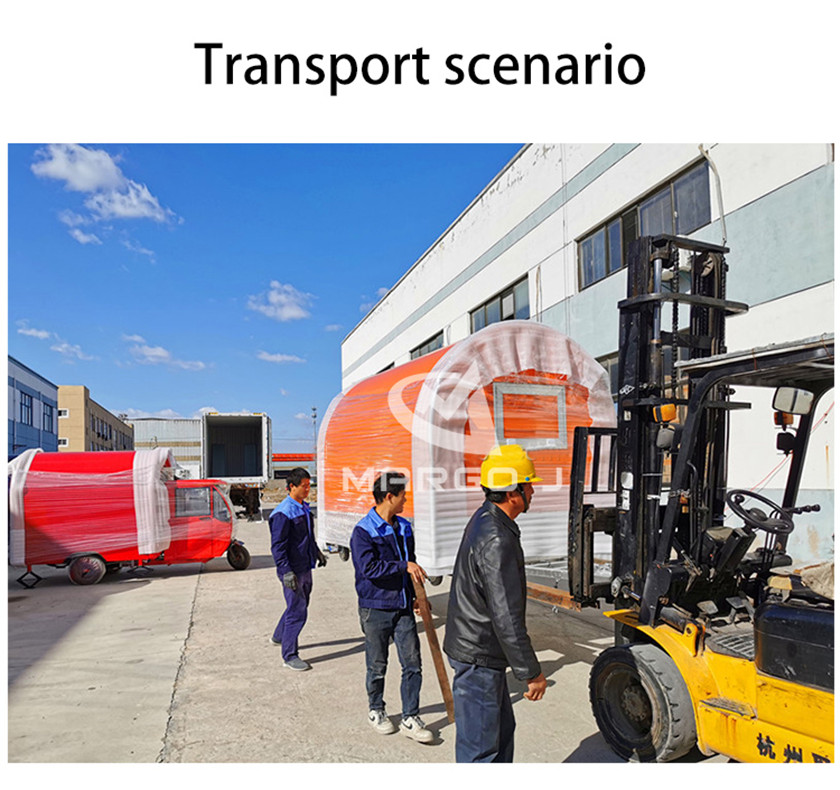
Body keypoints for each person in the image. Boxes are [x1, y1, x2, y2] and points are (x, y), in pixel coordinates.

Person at [443, 444, 548, 762]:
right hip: (478, 657)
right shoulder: (497, 538)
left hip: (482, 652)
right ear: (513, 492)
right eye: (529, 485)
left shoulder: (487, 519)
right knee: (481, 752)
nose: (533, 491)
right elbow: (506, 615)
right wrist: (531, 671)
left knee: (500, 737)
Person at [350, 471, 435, 744]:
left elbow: (411, 563)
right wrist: (403, 566)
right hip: (375, 608)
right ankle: (376, 710)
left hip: (403, 608)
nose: (405, 500)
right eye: (402, 496)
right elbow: (370, 569)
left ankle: (410, 716)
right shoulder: (364, 531)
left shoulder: (404, 527)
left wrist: (416, 596)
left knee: (413, 664)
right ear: (389, 496)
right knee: (377, 665)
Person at [269, 467, 327, 671]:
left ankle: (279, 635)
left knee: (299, 605)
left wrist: (316, 552)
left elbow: (307, 536)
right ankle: (289, 655)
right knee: (297, 610)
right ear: (292, 487)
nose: (307, 489)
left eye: (309, 485)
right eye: (304, 486)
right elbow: (278, 547)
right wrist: (286, 571)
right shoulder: (283, 513)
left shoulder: (303, 507)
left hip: (305, 566)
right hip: (292, 570)